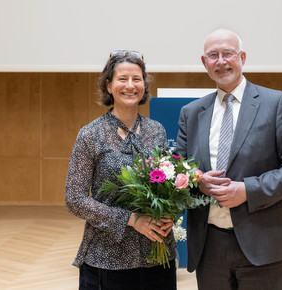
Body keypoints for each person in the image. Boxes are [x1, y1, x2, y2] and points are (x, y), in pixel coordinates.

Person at [176, 29, 282, 289]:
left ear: (242, 58)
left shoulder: (275, 103)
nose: (221, 61)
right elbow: (182, 172)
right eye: (213, 55)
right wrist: (199, 182)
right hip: (209, 245)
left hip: (264, 242)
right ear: (204, 63)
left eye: (228, 53)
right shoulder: (191, 113)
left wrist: (249, 190)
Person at [65, 50, 177, 290]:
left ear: (144, 85)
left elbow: (165, 186)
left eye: (137, 79)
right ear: (109, 85)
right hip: (108, 257)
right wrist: (130, 219)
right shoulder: (90, 134)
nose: (130, 85)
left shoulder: (156, 130)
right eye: (122, 79)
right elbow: (74, 199)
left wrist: (169, 215)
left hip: (157, 255)